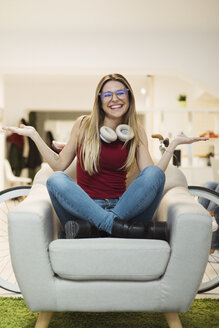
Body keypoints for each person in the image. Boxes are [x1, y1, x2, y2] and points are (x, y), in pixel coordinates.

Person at [2, 73, 209, 240]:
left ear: (129, 96)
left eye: (120, 92)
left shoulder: (135, 129)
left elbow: (150, 175)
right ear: (99, 100)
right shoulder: (82, 125)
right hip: (84, 209)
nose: (115, 99)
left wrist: (172, 146)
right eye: (107, 94)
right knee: (56, 179)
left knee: (155, 173)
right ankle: (118, 228)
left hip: (124, 208)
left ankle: (97, 229)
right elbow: (58, 165)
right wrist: (34, 136)